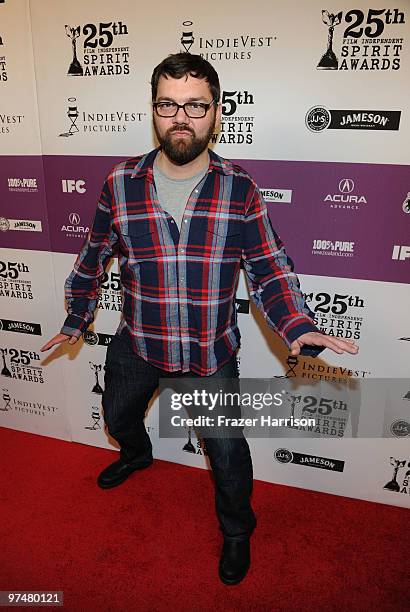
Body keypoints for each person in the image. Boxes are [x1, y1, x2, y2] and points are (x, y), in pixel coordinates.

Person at [41, 52, 358, 585]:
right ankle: (137, 455)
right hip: (137, 344)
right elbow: (93, 254)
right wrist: (77, 316)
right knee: (117, 417)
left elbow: (270, 270)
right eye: (168, 104)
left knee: (229, 457)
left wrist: (298, 326)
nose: (181, 117)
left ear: (216, 112)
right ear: (153, 110)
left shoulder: (239, 189)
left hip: (208, 356)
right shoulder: (119, 183)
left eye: (195, 105)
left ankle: (237, 531)